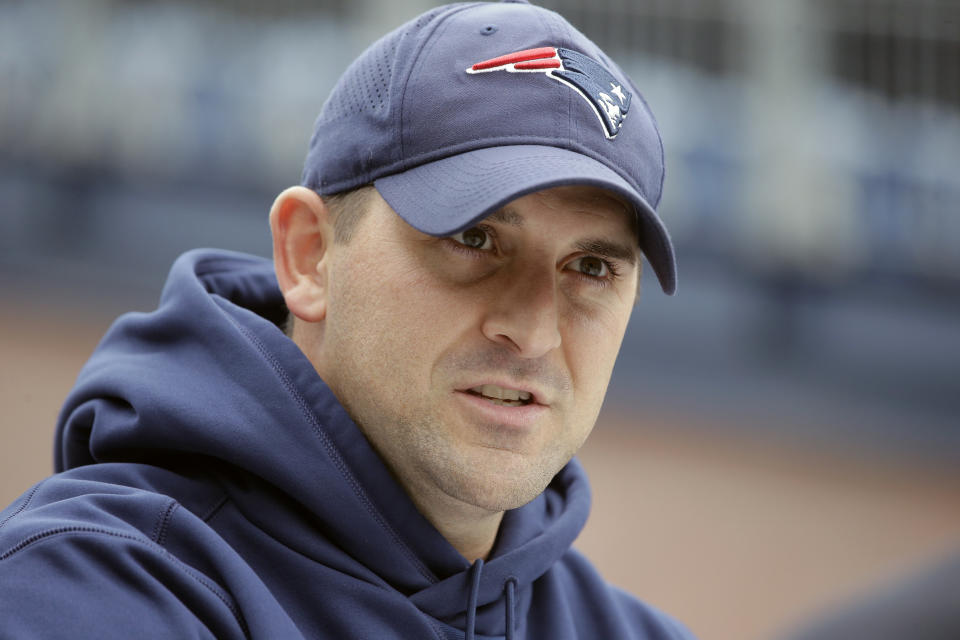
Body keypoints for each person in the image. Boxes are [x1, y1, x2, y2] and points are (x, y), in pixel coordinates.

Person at [0, 1, 693, 638]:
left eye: (592, 268)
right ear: (308, 255)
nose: (534, 332)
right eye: (474, 240)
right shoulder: (91, 590)